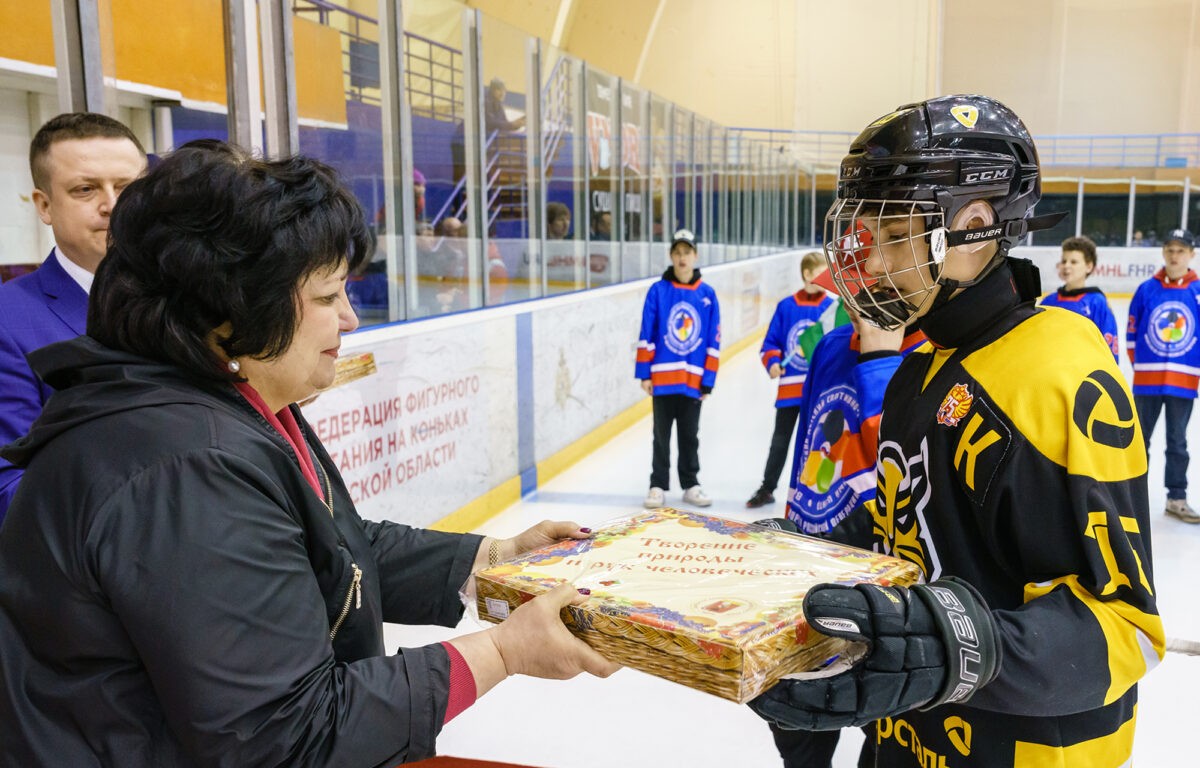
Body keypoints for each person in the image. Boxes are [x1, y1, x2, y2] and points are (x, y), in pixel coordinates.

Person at [0, 141, 619, 765]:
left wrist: (493, 559)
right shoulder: (188, 467)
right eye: (326, 297)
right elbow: (284, 737)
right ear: (229, 308)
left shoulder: (232, 400)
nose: (350, 318)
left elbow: (326, 544)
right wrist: (504, 652)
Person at [750, 95, 1163, 767]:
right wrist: (806, 561)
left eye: (894, 237)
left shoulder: (1060, 372)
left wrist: (953, 646)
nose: (873, 265)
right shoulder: (919, 372)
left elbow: (1125, 631)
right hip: (908, 740)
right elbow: (911, 525)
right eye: (867, 237)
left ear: (971, 227)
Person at [763, 307, 924, 768]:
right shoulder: (831, 346)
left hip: (887, 598)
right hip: (814, 577)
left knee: (884, 739)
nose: (866, 273)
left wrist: (879, 361)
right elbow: (809, 450)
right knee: (799, 737)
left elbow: (906, 473)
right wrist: (790, 538)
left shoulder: (934, 353)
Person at [0, 112, 147, 521]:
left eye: (126, 187)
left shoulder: (189, 301)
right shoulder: (8, 322)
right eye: (85, 189)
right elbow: (9, 490)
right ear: (44, 206)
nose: (112, 206)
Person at [636, 228, 720, 509]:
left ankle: (690, 484)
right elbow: (646, 332)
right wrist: (644, 373)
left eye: (687, 252)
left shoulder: (707, 294)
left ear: (695, 255)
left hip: (693, 381)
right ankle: (657, 484)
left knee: (689, 435)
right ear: (671, 256)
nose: (682, 258)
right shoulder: (658, 291)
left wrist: (708, 379)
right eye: (677, 252)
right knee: (660, 436)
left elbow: (713, 340)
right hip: (662, 378)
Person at [746, 252, 835, 509]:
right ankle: (767, 488)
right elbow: (770, 342)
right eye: (819, 273)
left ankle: (815, 492)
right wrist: (773, 363)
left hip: (817, 392)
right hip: (789, 390)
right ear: (807, 274)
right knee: (780, 442)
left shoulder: (831, 308)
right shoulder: (786, 307)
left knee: (818, 444)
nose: (824, 279)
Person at [1127, 227, 1200, 522]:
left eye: (1180, 250)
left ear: (1191, 255)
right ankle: (1132, 498)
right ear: (1163, 253)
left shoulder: (1197, 290)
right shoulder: (1147, 288)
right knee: (1138, 440)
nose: (1174, 255)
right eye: (1170, 249)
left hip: (1183, 381)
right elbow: (1132, 332)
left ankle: (1177, 497)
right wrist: (1142, 366)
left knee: (1177, 441)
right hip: (1147, 380)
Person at [1039, 235, 1119, 360]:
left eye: (1074, 262)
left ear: (1089, 266)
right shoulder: (1049, 301)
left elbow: (1109, 345)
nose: (1066, 266)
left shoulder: (1097, 303)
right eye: (1064, 261)